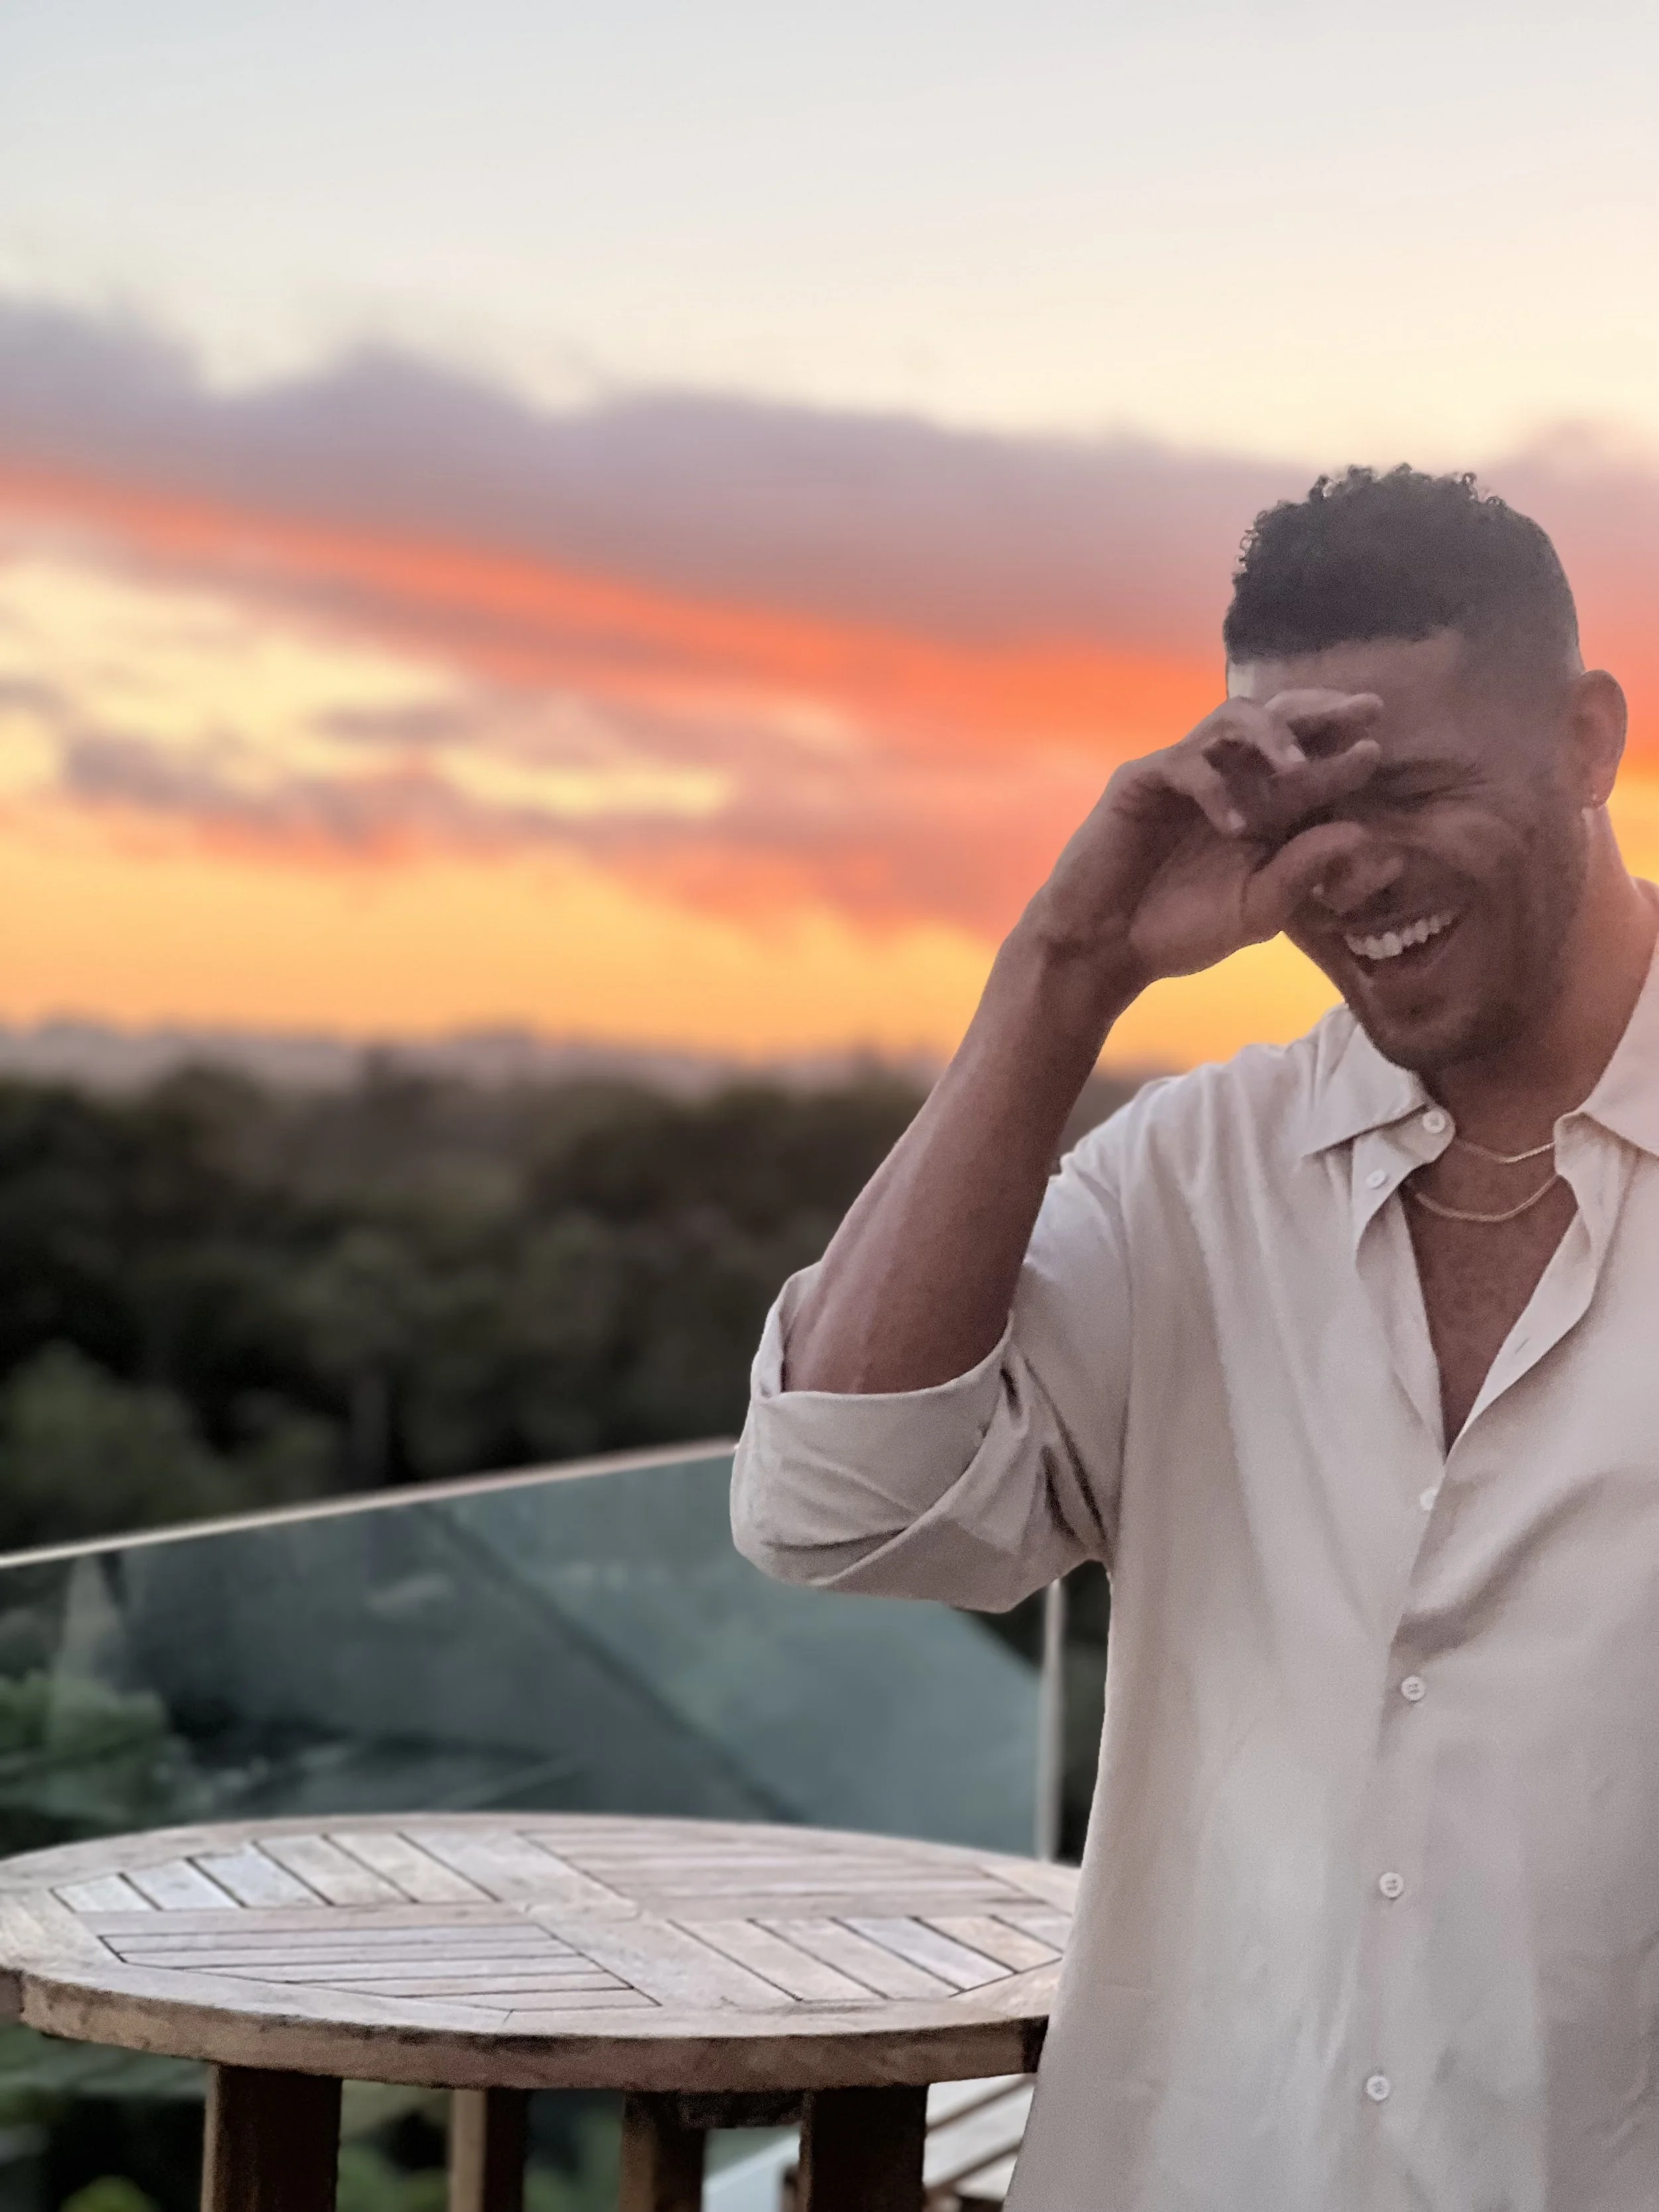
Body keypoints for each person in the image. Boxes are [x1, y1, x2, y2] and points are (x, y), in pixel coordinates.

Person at [730, 465, 1659, 2212]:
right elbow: (832, 1503)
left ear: (1590, 740)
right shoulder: (1194, 1172)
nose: (1351, 864)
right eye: (1297, 804)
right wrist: (1065, 965)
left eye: (1411, 785)